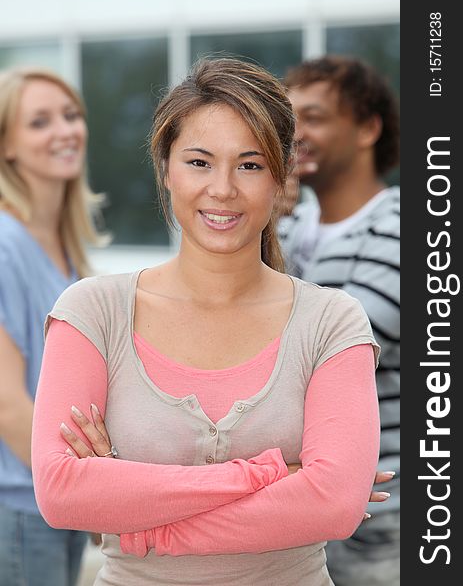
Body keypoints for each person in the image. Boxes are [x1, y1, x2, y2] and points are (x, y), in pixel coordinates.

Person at [32, 58, 387, 586]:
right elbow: (62, 492)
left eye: (249, 165)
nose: (222, 189)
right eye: (199, 162)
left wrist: (148, 524)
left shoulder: (331, 321)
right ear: (166, 169)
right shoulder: (93, 311)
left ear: (282, 173)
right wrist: (269, 475)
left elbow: (333, 507)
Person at [280, 55, 400, 586]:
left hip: (385, 523)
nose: (295, 133)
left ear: (369, 128)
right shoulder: (286, 225)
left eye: (315, 117)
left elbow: (331, 353)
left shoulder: (408, 225)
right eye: (287, 119)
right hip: (296, 512)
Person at [0, 67, 107, 586]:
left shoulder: (63, 245)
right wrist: (81, 496)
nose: (64, 131)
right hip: (21, 505)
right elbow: (7, 403)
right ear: (7, 146)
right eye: (39, 122)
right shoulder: (3, 243)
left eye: (70, 115)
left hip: (55, 497)